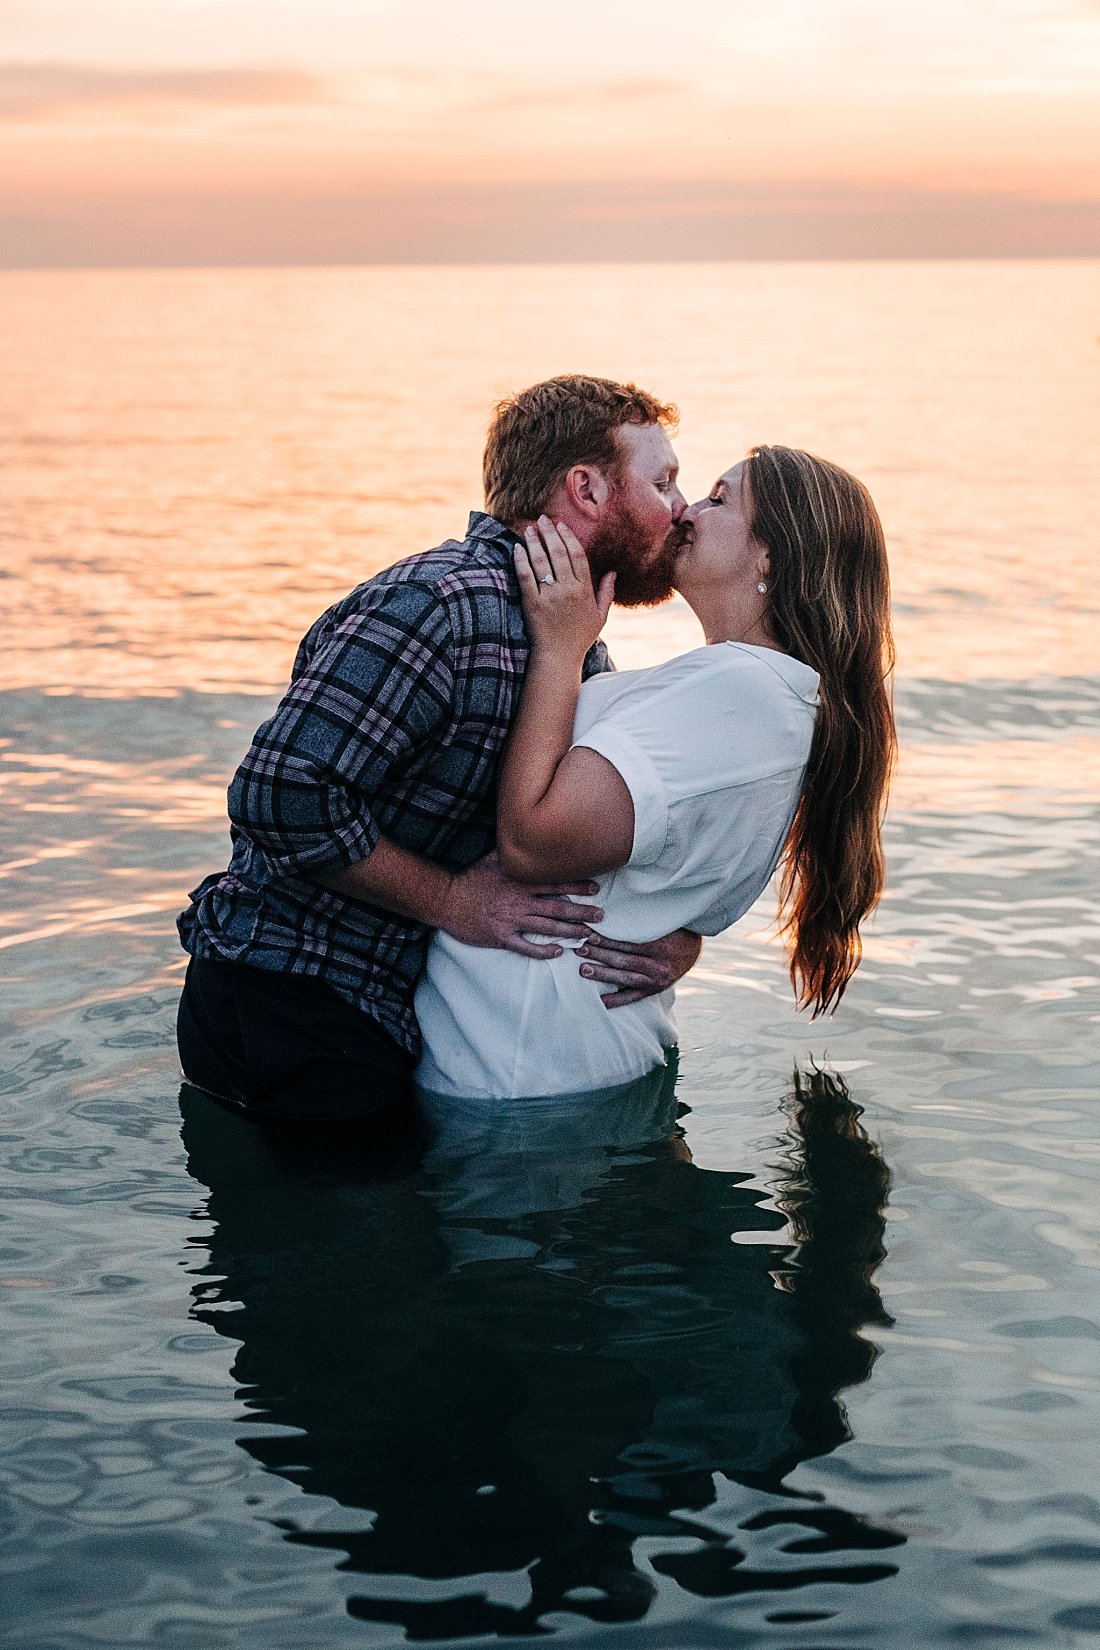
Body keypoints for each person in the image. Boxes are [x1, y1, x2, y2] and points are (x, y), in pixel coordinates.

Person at [175, 375, 703, 1124]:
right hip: (288, 993)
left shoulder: (572, 641)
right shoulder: (440, 605)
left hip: (380, 1010)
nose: (679, 507)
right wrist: (450, 900)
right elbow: (281, 792)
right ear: (585, 488)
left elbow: (571, 831)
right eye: (663, 481)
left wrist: (673, 935)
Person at [415, 444, 896, 1100]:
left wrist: (560, 647)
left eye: (720, 499)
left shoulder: (740, 691)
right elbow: (668, 873)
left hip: (521, 1077)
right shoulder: (756, 695)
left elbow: (533, 841)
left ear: (771, 556)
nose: (688, 510)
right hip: (555, 1064)